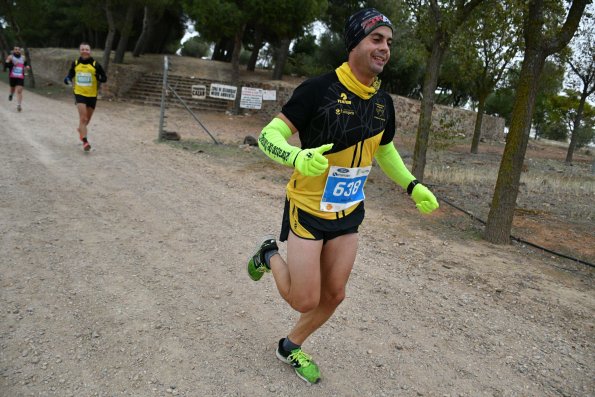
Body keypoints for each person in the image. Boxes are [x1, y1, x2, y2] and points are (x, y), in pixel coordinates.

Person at [247, 8, 439, 384]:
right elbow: (267, 137)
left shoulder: (383, 103)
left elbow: (384, 150)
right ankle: (268, 254)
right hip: (307, 209)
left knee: (334, 295)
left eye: (388, 42)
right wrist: (298, 157)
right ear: (355, 43)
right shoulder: (318, 89)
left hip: (348, 211)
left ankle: (290, 345)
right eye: (376, 39)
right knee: (304, 299)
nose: (384, 48)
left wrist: (412, 186)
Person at [64, 42, 107, 151]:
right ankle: (85, 142)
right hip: (79, 94)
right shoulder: (76, 63)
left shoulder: (95, 64)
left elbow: (104, 78)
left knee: (86, 121)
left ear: (90, 51)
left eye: (86, 49)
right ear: (80, 51)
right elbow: (70, 74)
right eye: (82, 49)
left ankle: (80, 130)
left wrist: (98, 77)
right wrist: (67, 78)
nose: (84, 51)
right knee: (83, 118)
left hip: (92, 95)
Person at [5, 46, 31, 112]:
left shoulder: (23, 57)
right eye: (15, 49)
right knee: (12, 88)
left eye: (18, 50)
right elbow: (6, 65)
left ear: (20, 51)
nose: (17, 50)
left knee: (19, 91)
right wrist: (13, 65)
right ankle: (11, 94)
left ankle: (19, 105)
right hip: (12, 76)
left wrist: (27, 66)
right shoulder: (10, 57)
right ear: (13, 50)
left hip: (20, 76)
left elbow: (26, 64)